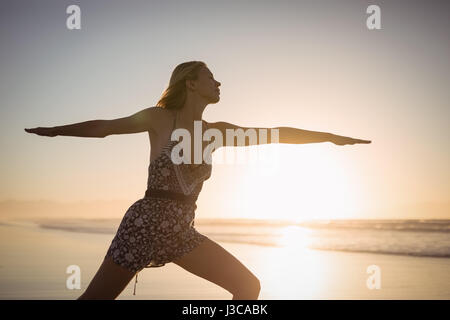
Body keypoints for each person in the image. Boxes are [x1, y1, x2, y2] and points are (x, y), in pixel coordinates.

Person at [24, 61, 371, 300]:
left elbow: (276, 134)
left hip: (182, 232)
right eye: (211, 78)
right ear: (190, 83)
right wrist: (57, 131)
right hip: (144, 225)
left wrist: (327, 135)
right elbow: (105, 128)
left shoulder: (216, 133)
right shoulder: (159, 118)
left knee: (248, 287)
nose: (218, 83)